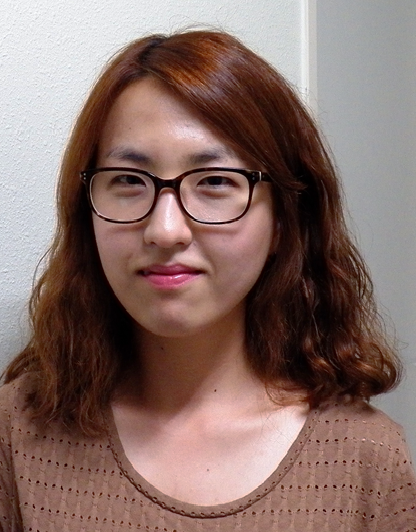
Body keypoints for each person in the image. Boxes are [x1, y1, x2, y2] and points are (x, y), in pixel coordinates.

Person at [0, 30, 415, 531]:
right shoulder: (17, 435)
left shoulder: (365, 462)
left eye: (215, 182)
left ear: (284, 220)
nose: (165, 230)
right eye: (128, 181)